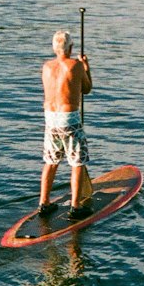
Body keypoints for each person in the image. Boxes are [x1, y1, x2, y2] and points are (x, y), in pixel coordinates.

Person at [39, 29, 93, 220]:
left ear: (55, 48)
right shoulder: (75, 65)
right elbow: (86, 89)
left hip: (50, 119)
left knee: (51, 161)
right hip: (69, 119)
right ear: (70, 48)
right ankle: (76, 207)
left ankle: (44, 203)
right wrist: (86, 68)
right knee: (77, 162)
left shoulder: (46, 67)